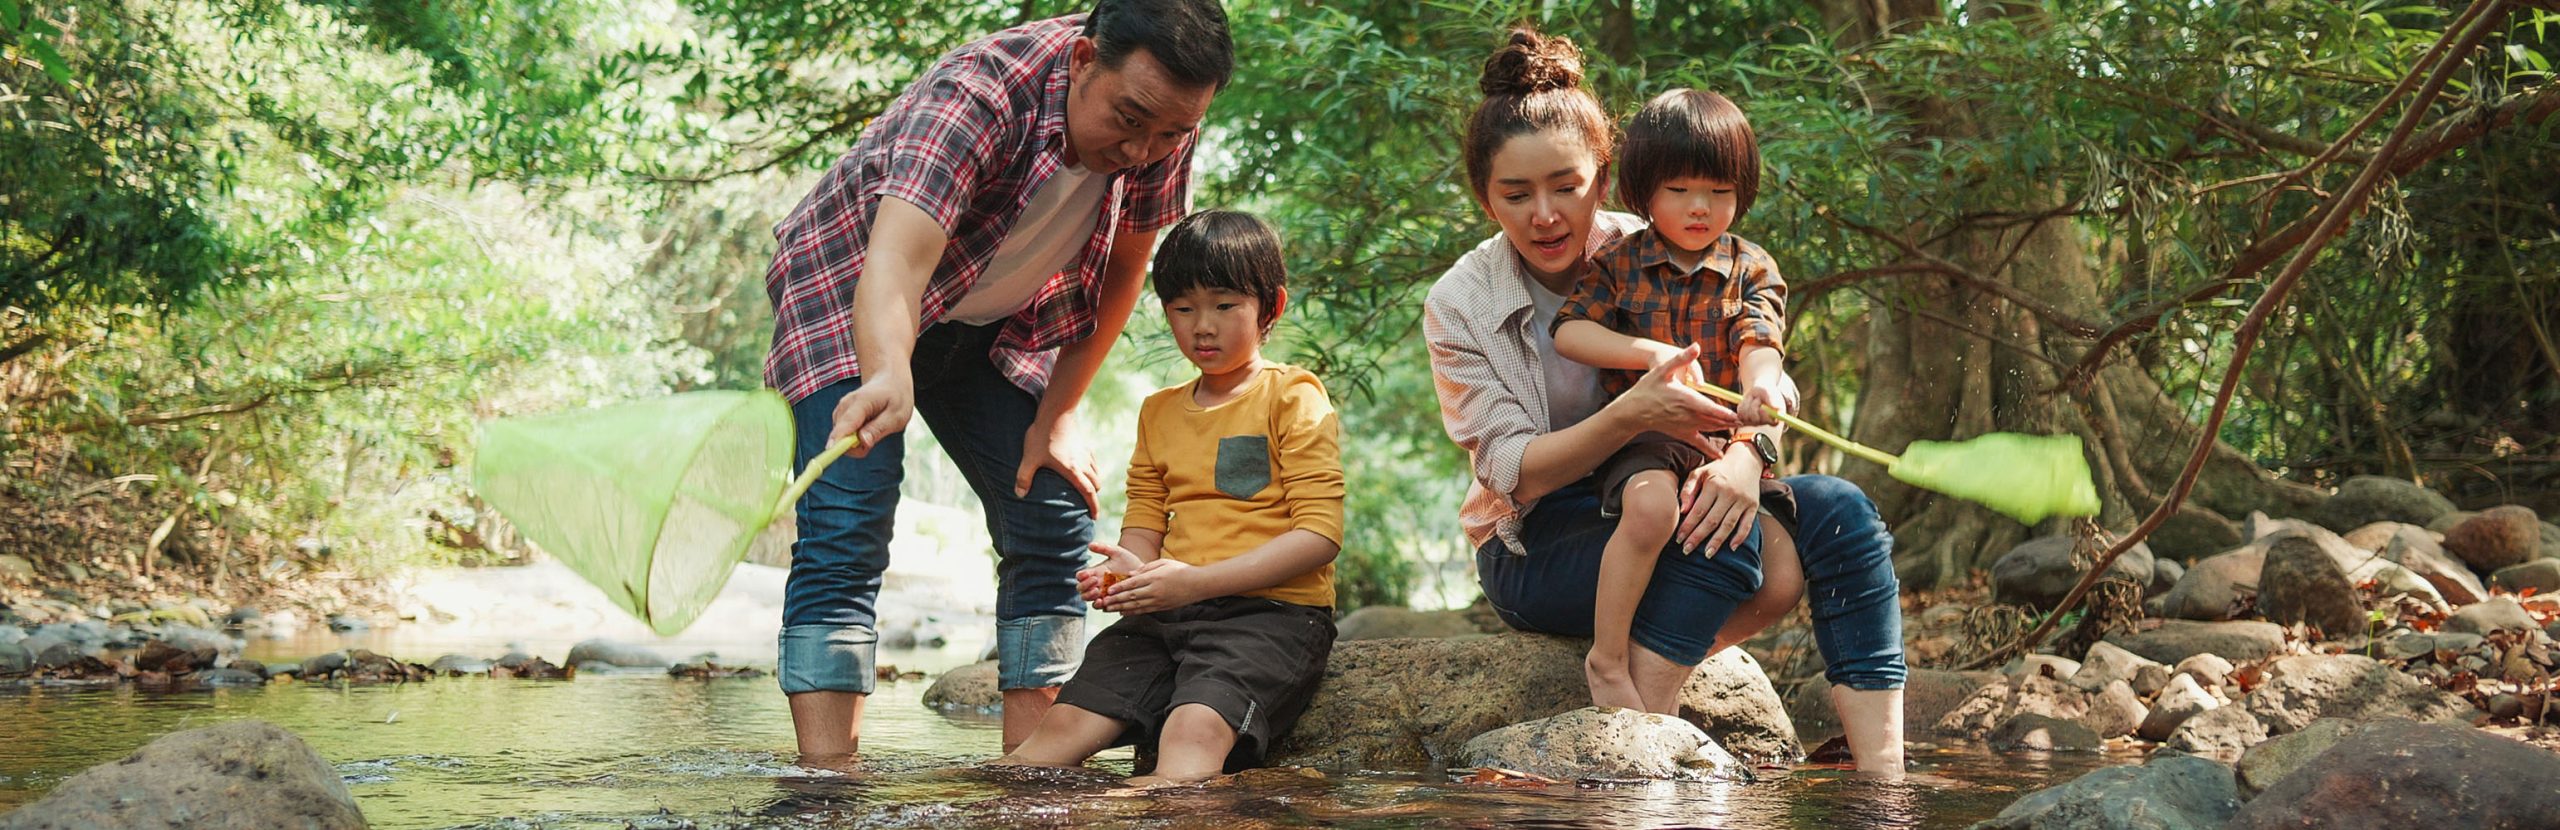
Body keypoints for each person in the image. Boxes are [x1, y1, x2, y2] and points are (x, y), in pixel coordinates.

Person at [759, 0, 1234, 765]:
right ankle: (828, 784)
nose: (1145, 148)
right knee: (848, 519)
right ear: (1084, 63)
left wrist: (1059, 413)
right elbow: (898, 262)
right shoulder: (977, 96)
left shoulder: (1165, 117)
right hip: (851, 286)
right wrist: (888, 370)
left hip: (995, 315)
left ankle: (1030, 772)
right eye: (1131, 119)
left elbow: (1122, 270)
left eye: (1172, 133)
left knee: (1050, 512)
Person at [1423, 28, 1909, 774]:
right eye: (1515, 195)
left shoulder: (1663, 239)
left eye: (1566, 186)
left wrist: (1751, 455)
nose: (1544, 215)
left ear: (1606, 177)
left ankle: (1885, 780)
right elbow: (1512, 474)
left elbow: (1761, 367)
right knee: (1721, 538)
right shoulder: (1460, 302)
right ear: (1484, 196)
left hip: (1678, 481)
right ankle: (1643, 736)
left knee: (1841, 513)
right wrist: (1634, 412)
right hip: (1543, 536)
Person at [995, 210, 1344, 785]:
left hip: (1272, 617)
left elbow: (1320, 538)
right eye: (1183, 308)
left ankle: (1131, 811)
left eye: (1225, 306)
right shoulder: (1158, 411)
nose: (1202, 326)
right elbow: (1145, 526)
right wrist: (1129, 576)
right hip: (1168, 615)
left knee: (1191, 734)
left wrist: (1194, 581)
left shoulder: (1292, 396)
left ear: (1270, 309)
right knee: (1055, 736)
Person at [1550, 88, 1794, 711]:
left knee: (1782, 572)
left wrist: (1761, 385)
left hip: (1724, 441)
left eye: (1719, 191)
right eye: (1680, 190)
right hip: (1649, 435)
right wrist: (1648, 355)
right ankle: (1606, 659)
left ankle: (1673, 655)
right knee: (1653, 511)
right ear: (1642, 192)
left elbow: (1760, 340)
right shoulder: (1618, 262)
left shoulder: (1752, 266)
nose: (1699, 208)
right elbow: (1571, 332)